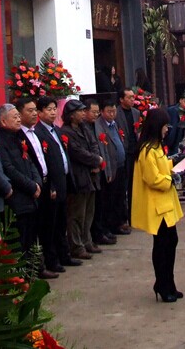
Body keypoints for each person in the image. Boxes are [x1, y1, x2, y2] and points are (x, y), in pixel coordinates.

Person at [0, 103, 57, 279]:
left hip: (32, 196)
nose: (18, 119)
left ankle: (35, 270)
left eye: (18, 116)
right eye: (14, 116)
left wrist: (37, 183)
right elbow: (9, 169)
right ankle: (22, 277)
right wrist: (31, 186)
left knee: (33, 237)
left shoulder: (18, 137)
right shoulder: (0, 140)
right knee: (21, 240)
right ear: (3, 121)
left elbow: (30, 162)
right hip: (19, 198)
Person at [131, 108, 184, 303]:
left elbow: (161, 168)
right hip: (156, 205)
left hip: (165, 204)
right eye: (165, 126)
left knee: (171, 242)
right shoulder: (147, 150)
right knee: (162, 246)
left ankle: (169, 283)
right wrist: (171, 179)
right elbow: (153, 178)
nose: (167, 129)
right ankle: (162, 284)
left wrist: (175, 162)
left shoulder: (156, 147)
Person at [34, 97, 82, 269]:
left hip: (64, 181)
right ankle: (52, 260)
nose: (53, 112)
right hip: (51, 186)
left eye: (54, 109)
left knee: (62, 222)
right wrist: (51, 185)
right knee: (51, 225)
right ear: (40, 113)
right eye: (48, 109)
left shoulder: (57, 130)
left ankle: (64, 255)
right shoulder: (38, 133)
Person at [61, 99, 104, 260]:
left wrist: (96, 160)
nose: (82, 113)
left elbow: (94, 144)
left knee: (89, 212)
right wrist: (95, 160)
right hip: (78, 176)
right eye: (79, 111)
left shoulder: (84, 127)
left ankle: (87, 241)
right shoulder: (66, 131)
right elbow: (77, 152)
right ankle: (76, 245)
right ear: (71, 115)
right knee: (77, 214)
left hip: (91, 175)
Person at [84, 99, 116, 246]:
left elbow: (103, 148)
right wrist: (95, 162)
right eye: (94, 112)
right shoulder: (84, 127)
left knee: (103, 203)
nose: (96, 115)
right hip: (90, 172)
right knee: (94, 207)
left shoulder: (97, 126)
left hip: (101, 169)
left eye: (97, 112)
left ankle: (103, 230)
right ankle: (95, 234)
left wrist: (106, 168)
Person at [95, 99, 126, 242]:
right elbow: (103, 149)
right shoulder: (99, 126)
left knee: (119, 197)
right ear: (102, 112)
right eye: (109, 111)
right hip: (109, 168)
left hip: (120, 166)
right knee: (108, 200)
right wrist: (107, 170)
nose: (112, 114)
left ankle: (117, 224)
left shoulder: (115, 124)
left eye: (114, 111)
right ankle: (106, 228)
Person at [115, 87, 140, 232]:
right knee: (122, 187)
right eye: (129, 97)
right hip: (123, 154)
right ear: (121, 99)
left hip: (134, 152)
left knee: (134, 186)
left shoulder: (136, 113)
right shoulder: (116, 113)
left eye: (133, 97)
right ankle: (122, 218)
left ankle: (133, 216)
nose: (132, 100)